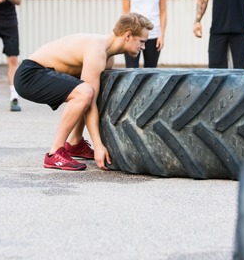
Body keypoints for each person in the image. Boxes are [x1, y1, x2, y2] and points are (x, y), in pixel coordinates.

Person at [14, 13, 154, 171]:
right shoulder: (97, 51)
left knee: (88, 92)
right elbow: (89, 98)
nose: (143, 47)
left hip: (45, 72)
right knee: (85, 92)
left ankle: (75, 142)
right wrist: (98, 145)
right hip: (30, 75)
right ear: (128, 35)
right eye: (142, 42)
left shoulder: (108, 56)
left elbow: (92, 100)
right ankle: (55, 153)